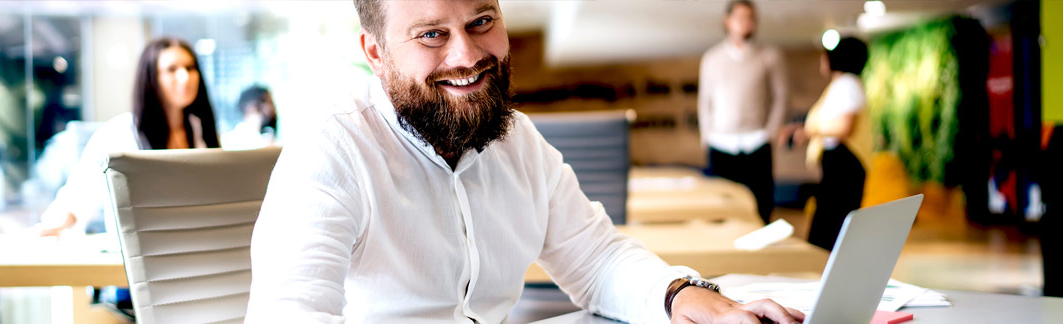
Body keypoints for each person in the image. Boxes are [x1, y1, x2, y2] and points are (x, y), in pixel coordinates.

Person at [244, 1, 804, 323]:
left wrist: (680, 296)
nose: (467, 56)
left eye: (482, 21)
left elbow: (596, 259)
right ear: (375, 52)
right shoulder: (331, 151)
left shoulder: (519, 141)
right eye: (432, 35)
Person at [37, 37, 221, 238]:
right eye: (172, 69)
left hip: (195, 243)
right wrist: (48, 229)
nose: (185, 77)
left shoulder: (199, 130)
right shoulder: (120, 131)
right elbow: (78, 196)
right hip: (140, 251)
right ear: (151, 78)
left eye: (190, 67)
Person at [697, 0, 788, 224]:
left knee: (761, 207)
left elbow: (782, 96)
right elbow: (704, 101)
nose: (747, 23)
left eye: (752, 18)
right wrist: (706, 136)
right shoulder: (711, 58)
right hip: (720, 145)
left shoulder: (770, 56)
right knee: (721, 209)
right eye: (741, 17)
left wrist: (770, 132)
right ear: (727, 21)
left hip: (755, 142)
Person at [780, 37, 871, 251]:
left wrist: (809, 131)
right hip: (840, 162)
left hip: (844, 163)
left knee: (830, 230)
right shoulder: (842, 85)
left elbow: (844, 127)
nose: (823, 59)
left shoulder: (847, 84)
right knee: (829, 228)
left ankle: (822, 276)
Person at [222, 85, 279, 150]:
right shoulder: (230, 141)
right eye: (269, 102)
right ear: (252, 107)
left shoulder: (270, 140)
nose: (272, 108)